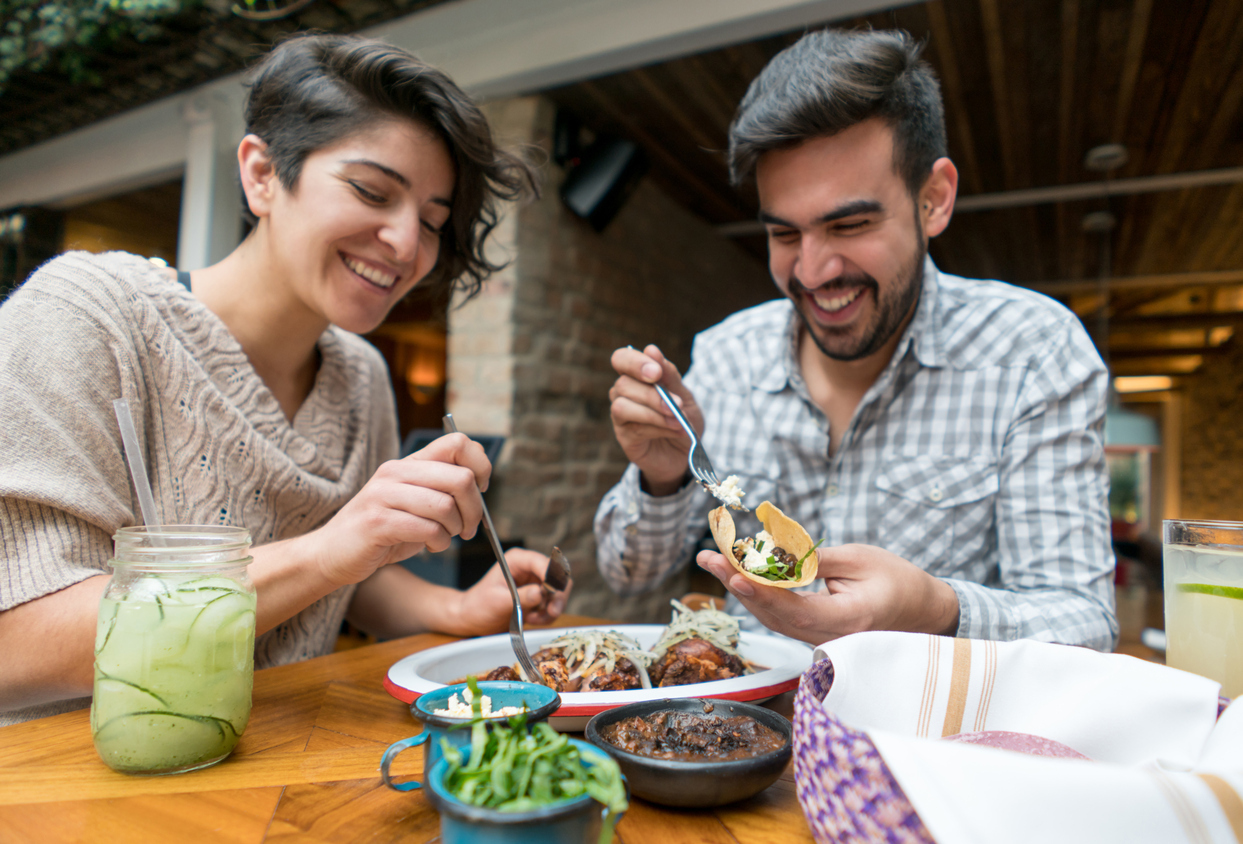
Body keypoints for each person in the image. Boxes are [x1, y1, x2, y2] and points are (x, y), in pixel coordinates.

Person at [0, 33, 568, 725]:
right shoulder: (87, 314)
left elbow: (339, 581)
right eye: (370, 190)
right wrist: (331, 548)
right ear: (262, 173)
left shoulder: (360, 375)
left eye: (431, 221)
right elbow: (18, 643)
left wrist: (455, 608)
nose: (406, 243)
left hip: (287, 768)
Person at [595, 28, 1115, 651]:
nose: (813, 274)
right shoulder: (726, 356)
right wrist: (664, 479)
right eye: (785, 235)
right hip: (752, 730)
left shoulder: (1034, 351)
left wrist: (933, 607)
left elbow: (1085, 624)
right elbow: (627, 573)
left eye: (849, 224)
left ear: (934, 199)